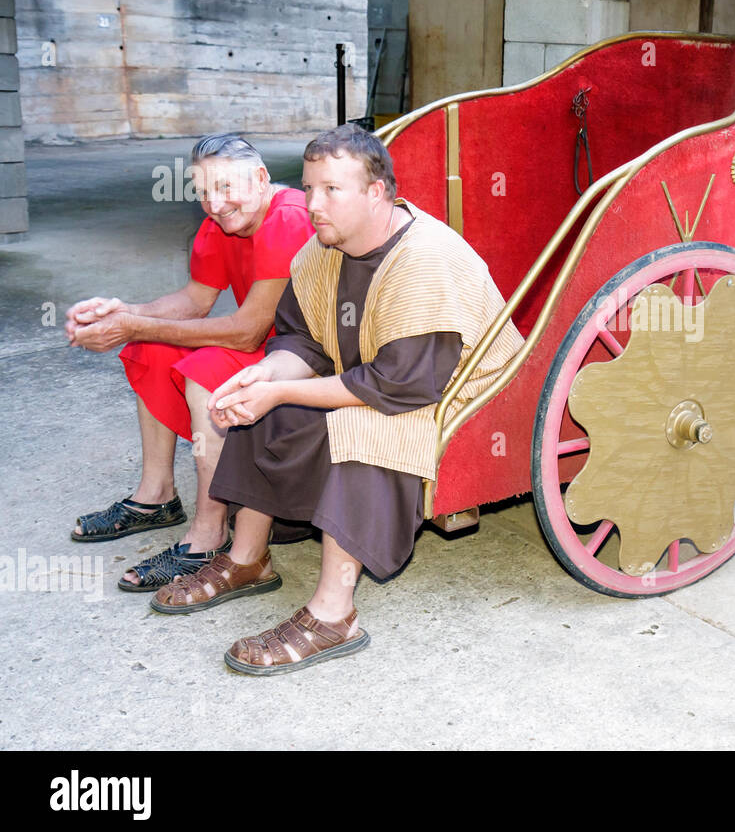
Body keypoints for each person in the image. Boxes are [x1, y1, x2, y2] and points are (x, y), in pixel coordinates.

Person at [149, 123, 524, 675]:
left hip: (456, 393)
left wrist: (280, 389)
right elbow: (302, 339)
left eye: (330, 190)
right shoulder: (327, 248)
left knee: (363, 430)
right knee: (266, 401)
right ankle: (246, 559)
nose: (313, 204)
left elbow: (396, 387)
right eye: (308, 188)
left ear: (376, 194)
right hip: (385, 378)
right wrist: (266, 378)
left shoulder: (424, 260)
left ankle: (334, 614)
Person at [67, 134, 315, 591]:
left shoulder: (287, 219)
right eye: (203, 191)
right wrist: (124, 312)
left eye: (225, 188)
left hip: (309, 356)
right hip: (269, 347)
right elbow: (195, 301)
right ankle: (157, 496)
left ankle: (210, 533)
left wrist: (133, 324)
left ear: (261, 179)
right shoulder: (225, 222)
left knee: (204, 370)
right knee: (151, 348)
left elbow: (247, 331)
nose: (215, 204)